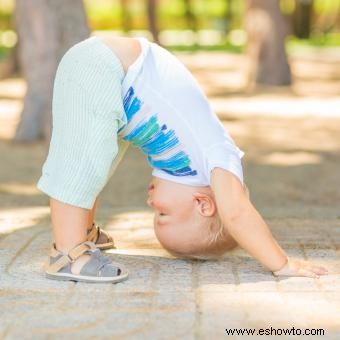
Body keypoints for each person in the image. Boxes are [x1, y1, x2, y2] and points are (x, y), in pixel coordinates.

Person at [37, 35, 328, 283]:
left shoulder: (193, 167)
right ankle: (68, 252)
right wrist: (281, 263)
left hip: (111, 75)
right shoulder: (219, 160)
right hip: (105, 68)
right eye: (163, 214)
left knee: (97, 161)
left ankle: (81, 230)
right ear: (204, 204)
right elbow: (237, 213)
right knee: (83, 161)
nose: (151, 203)